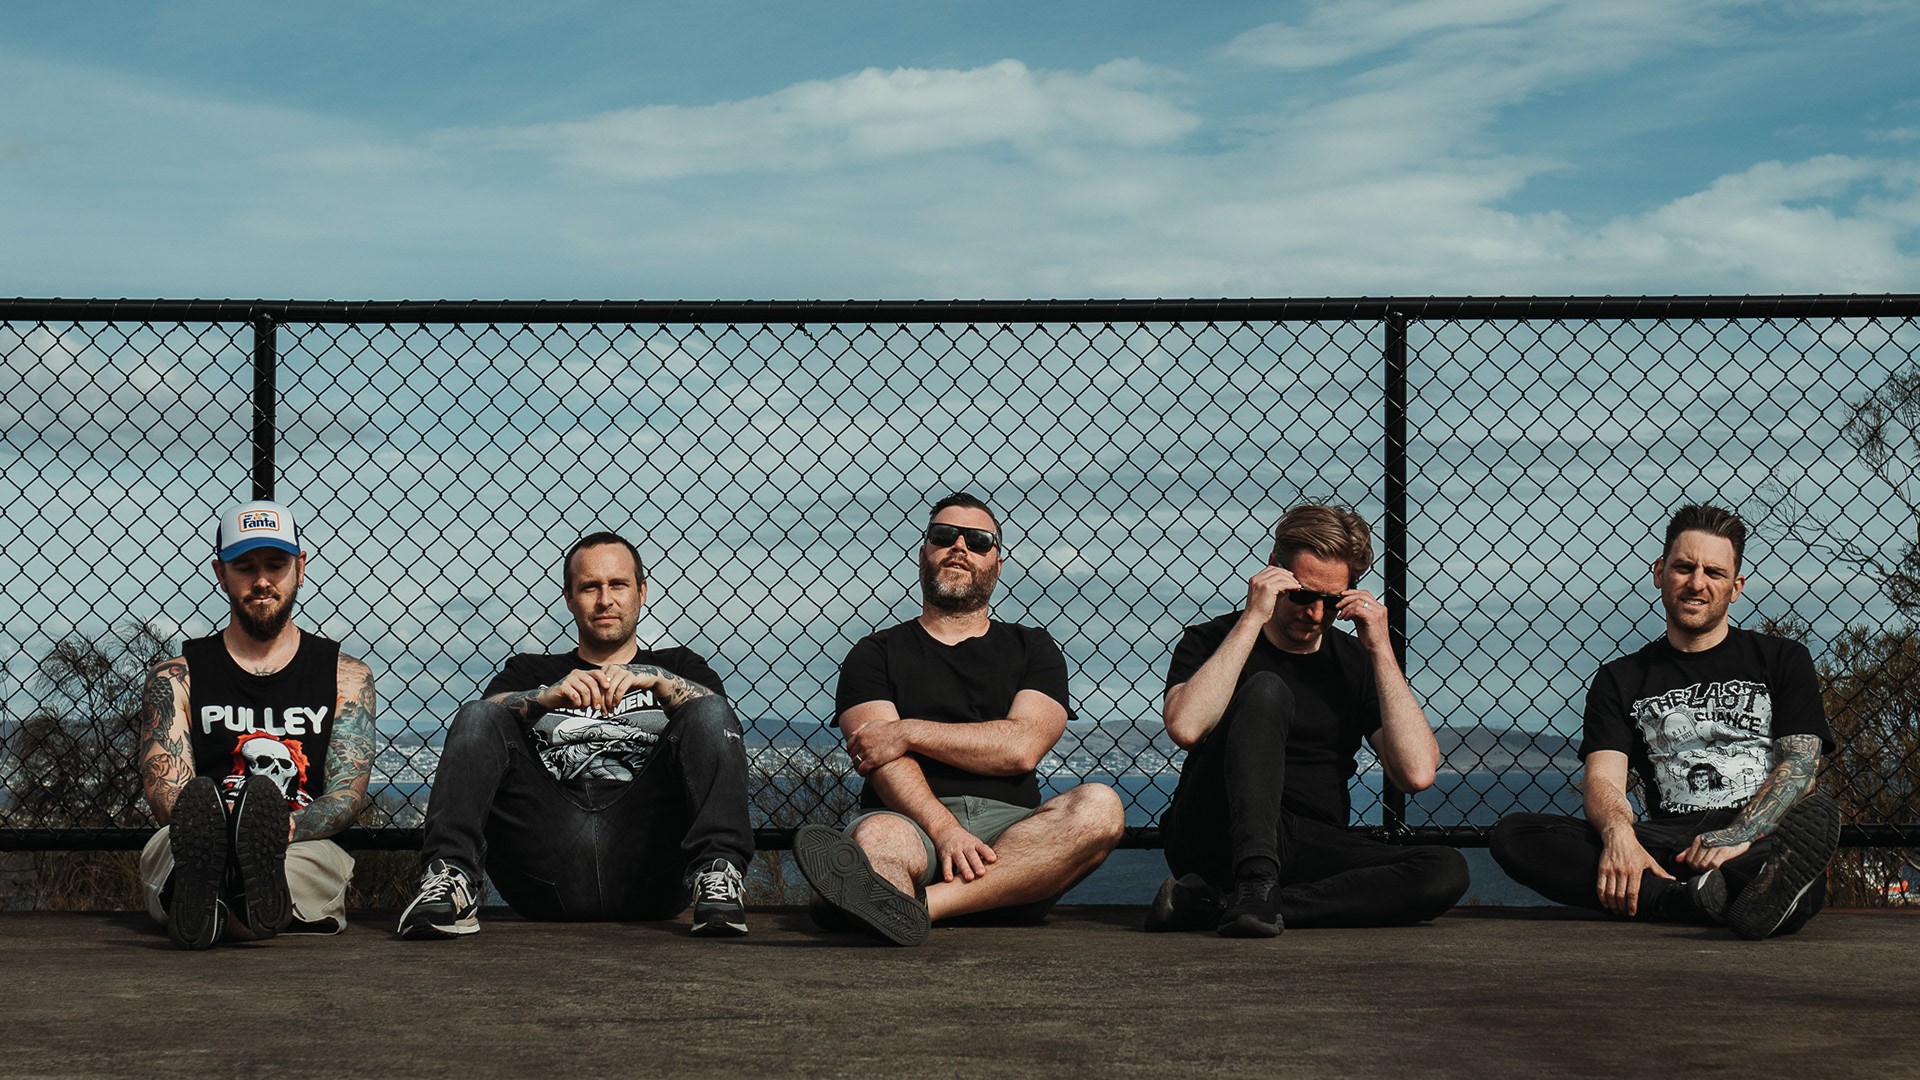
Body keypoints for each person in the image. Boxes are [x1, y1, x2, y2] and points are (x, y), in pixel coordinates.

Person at [1490, 505, 1841, 940]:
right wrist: (1620, 837)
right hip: (1665, 845)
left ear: (1736, 587)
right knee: (1516, 835)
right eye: (1684, 567)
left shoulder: (1783, 659)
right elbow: (1603, 779)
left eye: (1714, 572)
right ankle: (1689, 899)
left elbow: (1800, 767)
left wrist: (1740, 834)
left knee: (1786, 868)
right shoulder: (1620, 679)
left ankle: (1701, 895)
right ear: (1659, 572)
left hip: (1753, 839)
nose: (1697, 583)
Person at [793, 493, 1124, 946]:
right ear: (923, 553)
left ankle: (913, 907)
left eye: (979, 541)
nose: (960, 547)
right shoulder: (873, 653)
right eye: (944, 536)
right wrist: (945, 830)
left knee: (1100, 807)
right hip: (909, 821)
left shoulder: (1034, 648)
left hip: (1012, 843)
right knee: (878, 836)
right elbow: (878, 755)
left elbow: (1021, 747)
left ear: (997, 565)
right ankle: (890, 899)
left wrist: (908, 731)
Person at [398, 531, 753, 938]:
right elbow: (480, 725)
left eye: (618, 585)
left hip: (653, 864)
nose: (605, 600)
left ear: (641, 592)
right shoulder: (529, 671)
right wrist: (545, 697)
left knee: (709, 708)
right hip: (544, 864)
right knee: (478, 713)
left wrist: (659, 680)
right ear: (569, 598)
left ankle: (718, 876)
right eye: (589, 587)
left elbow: (720, 723)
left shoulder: (680, 666)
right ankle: (449, 881)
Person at [1151, 504, 1468, 937]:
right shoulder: (1212, 640)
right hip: (1218, 831)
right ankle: (1254, 882)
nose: (1316, 614)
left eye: (1332, 601)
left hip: (1308, 840)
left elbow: (1416, 773)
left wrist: (1380, 651)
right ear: (1273, 572)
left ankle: (1222, 906)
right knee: (1266, 690)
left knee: (1445, 868)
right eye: (1302, 595)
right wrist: (1253, 617)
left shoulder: (1354, 661)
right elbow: (1186, 728)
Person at [136, 499, 374, 949]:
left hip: (297, 844)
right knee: (168, 847)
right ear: (220, 574)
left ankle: (213, 912)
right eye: (245, 567)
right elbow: (168, 797)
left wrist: (286, 828)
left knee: (313, 865)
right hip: (197, 843)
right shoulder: (176, 678)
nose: (262, 580)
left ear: (300, 567)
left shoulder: (345, 676)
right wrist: (223, 833)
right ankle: (235, 907)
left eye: (275, 565)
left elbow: (347, 794)